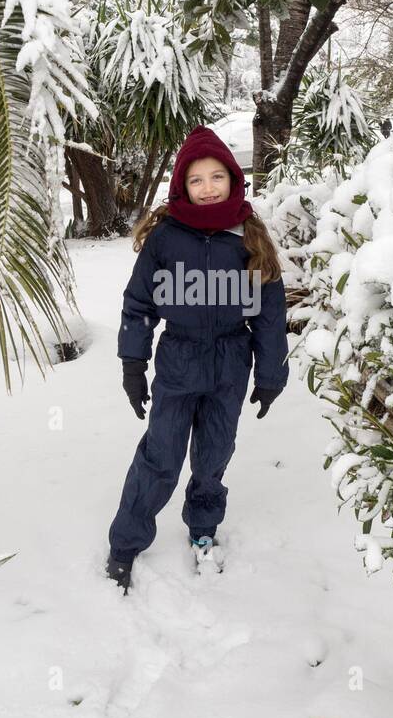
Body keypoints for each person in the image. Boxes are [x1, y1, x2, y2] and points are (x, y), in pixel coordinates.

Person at [105, 125, 289, 593]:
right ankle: (126, 543)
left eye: (216, 178)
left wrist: (270, 374)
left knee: (213, 456)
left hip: (230, 363)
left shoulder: (248, 234)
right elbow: (139, 305)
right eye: (196, 180)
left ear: (233, 179)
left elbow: (269, 313)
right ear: (181, 187)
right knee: (159, 456)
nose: (208, 189)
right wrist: (133, 364)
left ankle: (203, 526)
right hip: (178, 363)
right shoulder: (166, 239)